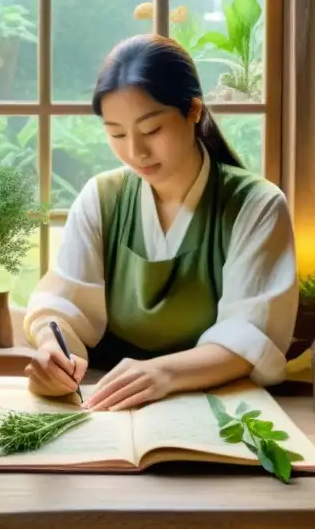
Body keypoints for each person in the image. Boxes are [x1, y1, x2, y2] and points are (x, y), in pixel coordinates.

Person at [23, 34, 299, 412]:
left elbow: (251, 335)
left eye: (151, 130)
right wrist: (53, 350)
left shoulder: (256, 205)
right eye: (116, 133)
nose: (135, 151)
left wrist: (163, 373)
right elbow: (63, 305)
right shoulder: (101, 198)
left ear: (194, 110)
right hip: (109, 405)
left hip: (218, 406)